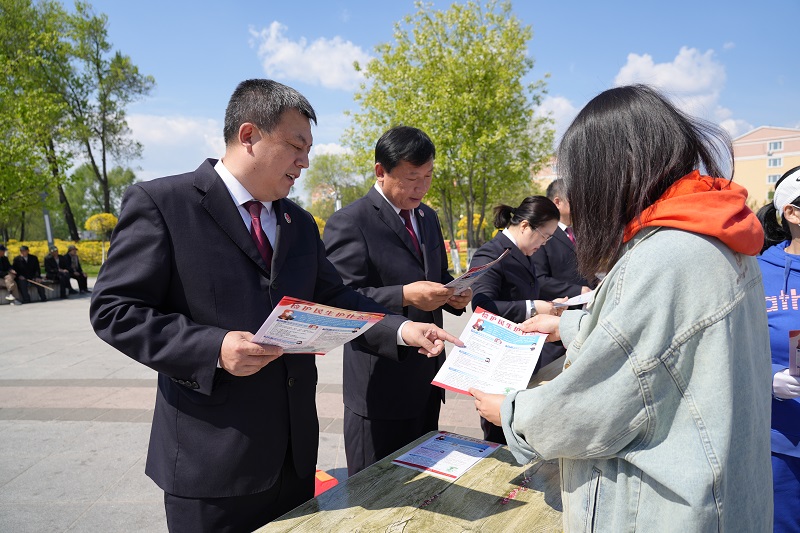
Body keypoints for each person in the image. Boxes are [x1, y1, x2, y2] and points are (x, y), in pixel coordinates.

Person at [89, 79, 460, 533]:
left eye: (309, 149)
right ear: (249, 136)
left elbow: (337, 298)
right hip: (212, 458)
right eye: (295, 146)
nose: (305, 162)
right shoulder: (164, 203)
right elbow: (114, 308)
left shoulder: (298, 221)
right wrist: (214, 348)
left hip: (294, 456)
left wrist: (402, 330)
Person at [471, 84, 773, 531]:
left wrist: (511, 413)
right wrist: (567, 326)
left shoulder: (667, 257)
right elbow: (659, 346)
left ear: (610, 172)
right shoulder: (709, 236)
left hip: (662, 510)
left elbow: (600, 401)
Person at [323, 126, 471, 476]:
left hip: (427, 376)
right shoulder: (350, 221)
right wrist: (405, 294)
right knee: (376, 493)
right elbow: (342, 298)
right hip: (380, 386)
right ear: (380, 171)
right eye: (411, 178)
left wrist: (455, 293)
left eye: (428, 177)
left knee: (424, 485)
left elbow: (436, 274)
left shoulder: (428, 217)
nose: (421, 187)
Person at [469, 195, 562, 443]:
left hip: (520, 361)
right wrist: (532, 307)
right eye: (545, 236)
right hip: (499, 365)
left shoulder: (522, 253)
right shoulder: (491, 253)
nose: (545, 244)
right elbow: (481, 306)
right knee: (501, 442)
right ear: (524, 226)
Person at [755, 164, 800, 532]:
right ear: (792, 213)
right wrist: (769, 379)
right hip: (782, 442)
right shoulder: (756, 272)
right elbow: (729, 350)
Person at [532, 179, 594, 365]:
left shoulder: (580, 232)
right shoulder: (542, 235)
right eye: (576, 199)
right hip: (555, 327)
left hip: (582, 322)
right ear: (557, 202)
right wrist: (578, 291)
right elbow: (539, 280)